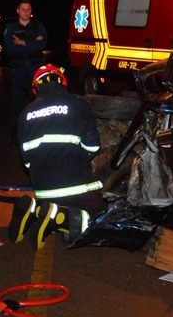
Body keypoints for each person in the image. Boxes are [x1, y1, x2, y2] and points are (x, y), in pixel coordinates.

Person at [7, 64, 107, 249]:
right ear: (62, 82)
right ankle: (60, 219)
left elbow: (27, 162)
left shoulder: (25, 114)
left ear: (36, 87)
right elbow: (93, 146)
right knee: (102, 213)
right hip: (74, 187)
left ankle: (35, 210)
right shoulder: (78, 103)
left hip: (43, 190)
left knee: (64, 209)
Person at [3, 0, 47, 142]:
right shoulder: (11, 27)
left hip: (35, 69)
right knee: (17, 103)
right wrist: (33, 42)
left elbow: (43, 43)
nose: (26, 12)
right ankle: (15, 134)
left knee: (39, 101)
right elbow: (10, 48)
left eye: (28, 9)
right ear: (18, 10)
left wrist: (23, 42)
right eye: (23, 9)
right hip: (18, 70)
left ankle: (41, 131)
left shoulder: (38, 25)